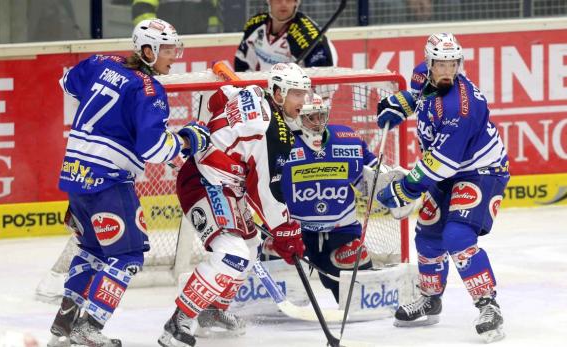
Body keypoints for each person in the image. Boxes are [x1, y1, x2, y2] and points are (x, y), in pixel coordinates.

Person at [47, 18, 210, 347]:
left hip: (76, 176)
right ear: (147, 50)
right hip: (109, 181)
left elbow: (66, 82)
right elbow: (153, 148)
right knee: (128, 256)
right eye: (166, 50)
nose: (172, 56)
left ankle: (64, 324)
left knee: (92, 248)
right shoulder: (148, 88)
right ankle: (89, 326)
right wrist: (189, 141)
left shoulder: (101, 62)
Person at [158, 62, 310, 347]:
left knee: (250, 248)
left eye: (305, 93)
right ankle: (178, 321)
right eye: (296, 94)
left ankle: (214, 311)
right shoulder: (274, 133)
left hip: (225, 182)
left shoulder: (252, 91)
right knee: (232, 255)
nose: (304, 101)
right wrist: (286, 231)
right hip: (205, 181)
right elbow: (266, 190)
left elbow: (221, 95)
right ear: (277, 93)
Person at [375, 33, 508, 343]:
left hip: (481, 172)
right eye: (441, 64)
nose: (447, 70)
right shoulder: (424, 75)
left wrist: (404, 189)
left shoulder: (461, 108)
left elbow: (442, 164)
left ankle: (489, 305)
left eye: (453, 64)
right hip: (449, 171)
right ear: (430, 62)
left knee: (457, 235)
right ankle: (430, 298)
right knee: (429, 233)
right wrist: (400, 105)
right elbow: (419, 95)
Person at [278, 93, 378, 302]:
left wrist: (390, 184)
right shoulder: (281, 143)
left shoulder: (346, 139)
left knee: (362, 304)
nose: (316, 123)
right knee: (273, 262)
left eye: (320, 116)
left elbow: (370, 174)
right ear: (298, 117)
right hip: (294, 233)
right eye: (309, 117)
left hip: (343, 233)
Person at [234, 0, 338, 72]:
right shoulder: (255, 24)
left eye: (289, 0)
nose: (283, 4)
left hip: (296, 100)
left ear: (296, 2)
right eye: (278, 0)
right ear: (269, 1)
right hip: (262, 96)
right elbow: (242, 62)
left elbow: (325, 86)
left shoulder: (308, 36)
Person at [132, 0, 221, 34]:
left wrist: (210, 38)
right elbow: (141, 11)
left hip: (198, 44)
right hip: (164, 46)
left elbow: (212, 13)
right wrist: (159, 33)